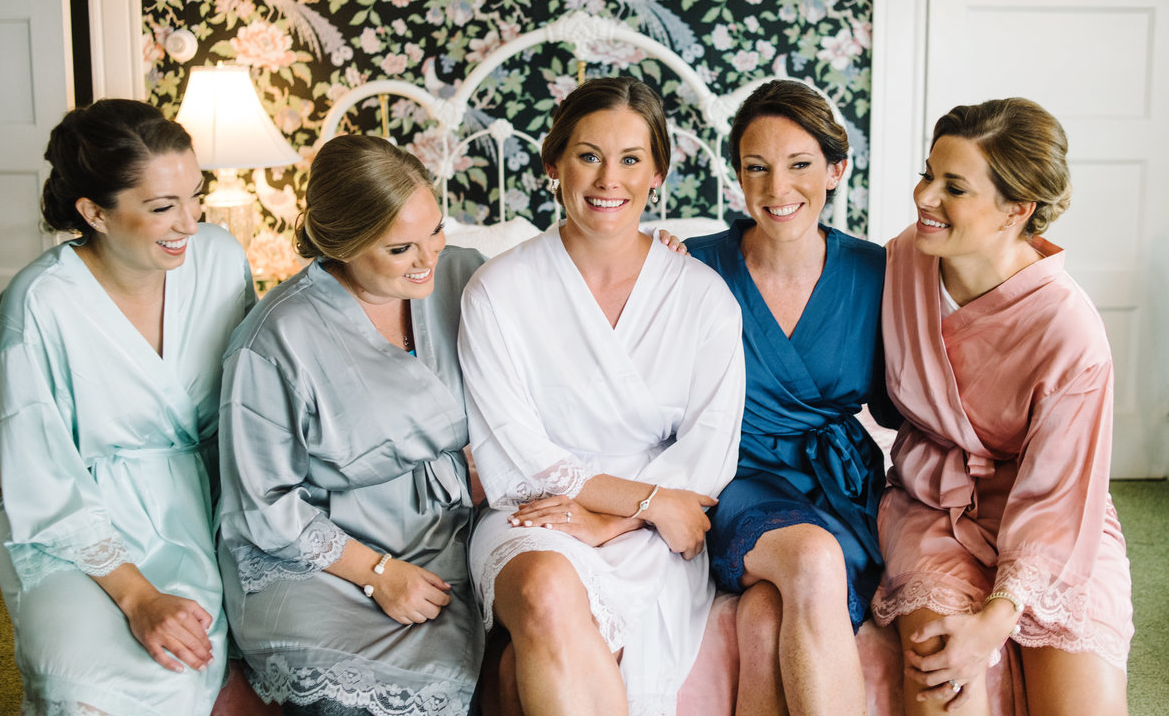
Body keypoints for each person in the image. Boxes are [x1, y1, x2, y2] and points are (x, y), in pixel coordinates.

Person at [459, 76, 746, 716]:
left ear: (658, 173)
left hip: (652, 533)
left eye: (630, 159)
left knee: (515, 670)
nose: (607, 179)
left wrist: (622, 518)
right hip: (539, 512)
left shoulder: (702, 298)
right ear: (554, 164)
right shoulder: (496, 291)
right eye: (588, 155)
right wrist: (644, 501)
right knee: (542, 589)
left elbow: (708, 452)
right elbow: (516, 455)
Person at [0, 99, 254, 715]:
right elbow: (43, 476)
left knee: (215, 663)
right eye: (163, 208)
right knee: (83, 690)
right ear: (94, 213)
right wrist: (137, 598)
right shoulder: (36, 306)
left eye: (196, 195)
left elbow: (254, 397)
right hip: (79, 524)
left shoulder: (218, 259)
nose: (189, 223)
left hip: (211, 504)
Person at [871, 98, 1133, 716]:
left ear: (1018, 210)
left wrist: (995, 621)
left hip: (1055, 518)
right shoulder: (903, 261)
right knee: (942, 684)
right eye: (926, 173)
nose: (924, 198)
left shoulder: (1071, 333)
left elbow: (1057, 495)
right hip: (934, 504)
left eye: (953, 187)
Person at [216, 135, 486, 715]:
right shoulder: (274, 340)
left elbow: (566, 294)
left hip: (445, 536)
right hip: (321, 558)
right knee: (348, 697)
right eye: (399, 249)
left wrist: (659, 251)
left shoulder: (466, 275)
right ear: (342, 244)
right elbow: (262, 504)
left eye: (435, 230)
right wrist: (377, 574)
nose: (428, 258)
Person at [685, 79, 898, 716]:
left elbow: (902, 404)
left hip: (837, 483)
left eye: (800, 165)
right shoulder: (691, 267)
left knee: (763, 616)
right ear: (739, 176)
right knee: (809, 555)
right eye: (757, 168)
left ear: (835, 170)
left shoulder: (877, 272)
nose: (778, 189)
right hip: (735, 477)